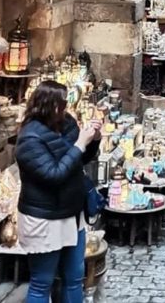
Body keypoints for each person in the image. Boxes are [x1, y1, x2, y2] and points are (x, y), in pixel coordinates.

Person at [16, 81, 101, 303]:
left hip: (72, 213)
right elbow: (54, 175)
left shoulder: (66, 123)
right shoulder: (29, 139)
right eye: (61, 106)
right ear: (48, 106)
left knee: (74, 277)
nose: (65, 110)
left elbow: (80, 159)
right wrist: (80, 144)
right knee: (42, 282)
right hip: (45, 218)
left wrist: (94, 140)